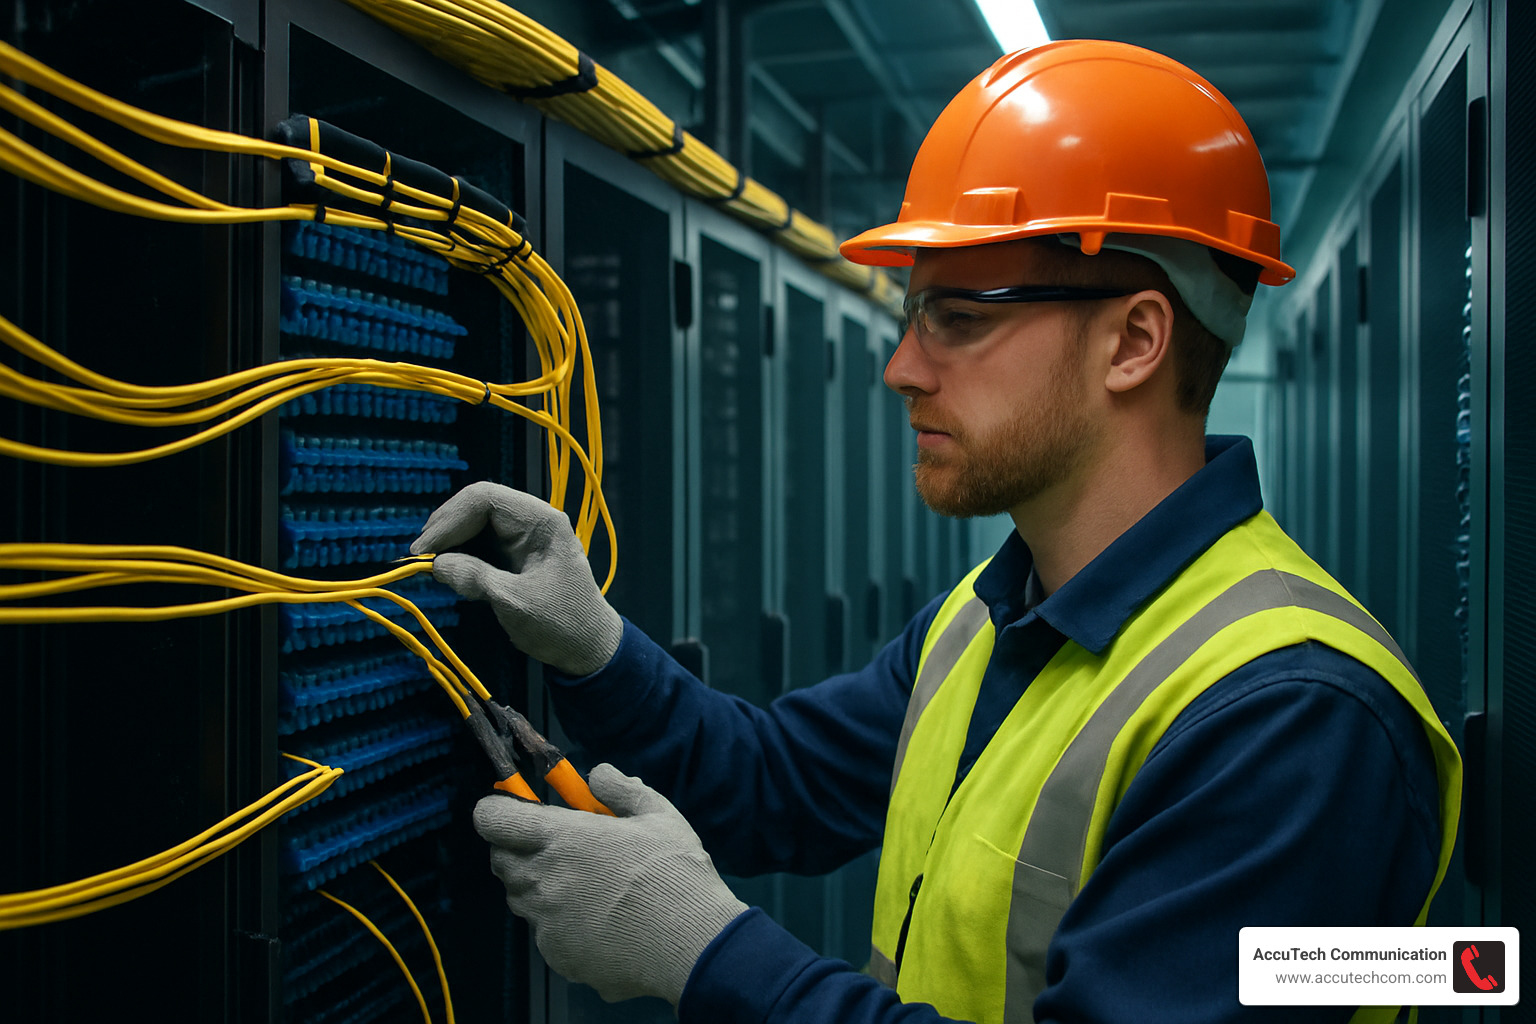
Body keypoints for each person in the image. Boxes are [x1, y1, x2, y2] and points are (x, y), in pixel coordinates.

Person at [412, 40, 1461, 1024]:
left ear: (1134, 340)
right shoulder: (987, 616)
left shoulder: (1297, 721)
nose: (903, 366)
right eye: (916, 315)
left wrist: (704, 950)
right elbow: (776, 784)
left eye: (957, 316)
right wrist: (592, 645)